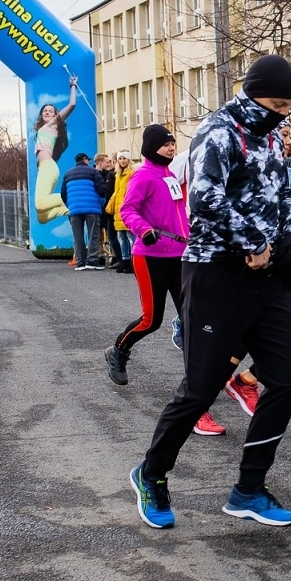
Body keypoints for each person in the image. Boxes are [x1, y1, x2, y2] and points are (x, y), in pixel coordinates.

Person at [130, 54, 291, 530]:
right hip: (216, 272)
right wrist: (252, 242)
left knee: (288, 379)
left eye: (289, 106)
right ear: (252, 94)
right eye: (276, 103)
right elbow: (205, 198)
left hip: (267, 276)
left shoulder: (271, 134)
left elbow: (284, 194)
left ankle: (249, 489)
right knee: (200, 388)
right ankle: (151, 475)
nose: (282, 114)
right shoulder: (219, 131)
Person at [104, 125, 224, 433]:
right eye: (166, 144)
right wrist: (144, 230)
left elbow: (178, 214)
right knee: (151, 319)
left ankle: (197, 396)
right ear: (152, 147)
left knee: (192, 320)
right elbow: (128, 210)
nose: (172, 148)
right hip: (150, 257)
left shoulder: (170, 176)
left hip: (178, 257)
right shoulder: (142, 176)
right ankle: (118, 350)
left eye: (173, 143)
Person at [33, 76, 78, 224]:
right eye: (45, 110)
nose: (47, 112)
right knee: (41, 216)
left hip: (48, 167)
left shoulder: (53, 125)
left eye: (50, 111)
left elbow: (71, 105)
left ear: (55, 115)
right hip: (45, 168)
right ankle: (69, 209)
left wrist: (73, 86)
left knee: (40, 203)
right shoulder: (42, 130)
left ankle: (73, 197)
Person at [62, 153, 107, 269]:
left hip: (75, 210)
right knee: (93, 235)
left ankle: (80, 262)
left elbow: (63, 195)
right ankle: (92, 261)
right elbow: (102, 190)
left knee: (78, 236)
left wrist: (70, 206)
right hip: (92, 208)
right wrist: (100, 203)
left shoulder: (68, 174)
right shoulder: (93, 172)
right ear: (85, 160)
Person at [107, 151, 136, 273]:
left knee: (130, 236)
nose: (122, 161)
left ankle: (134, 262)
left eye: (125, 158)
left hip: (127, 208)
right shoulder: (118, 174)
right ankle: (125, 261)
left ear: (129, 160)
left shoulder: (132, 173)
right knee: (122, 237)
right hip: (118, 209)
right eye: (120, 158)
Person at [94, 153, 120, 267]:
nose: (109, 164)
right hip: (98, 208)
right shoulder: (93, 175)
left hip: (109, 209)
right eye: (106, 162)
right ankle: (100, 256)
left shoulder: (111, 174)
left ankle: (114, 256)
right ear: (100, 162)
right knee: (98, 234)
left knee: (111, 233)